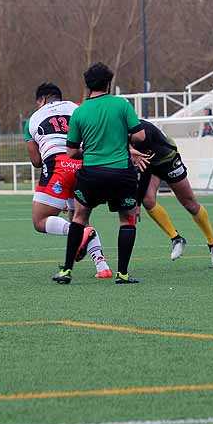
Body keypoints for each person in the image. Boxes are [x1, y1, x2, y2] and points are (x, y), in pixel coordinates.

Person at [54, 62, 148, 285]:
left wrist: (91, 151)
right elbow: (141, 136)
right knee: (127, 219)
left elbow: (72, 151)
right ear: (108, 83)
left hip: (92, 174)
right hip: (120, 173)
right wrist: (122, 138)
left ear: (87, 85)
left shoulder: (80, 111)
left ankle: (67, 270)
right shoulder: (121, 105)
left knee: (80, 217)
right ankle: (122, 274)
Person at [25, 83, 111, 278]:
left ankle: (78, 232)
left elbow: (36, 162)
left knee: (40, 220)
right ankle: (102, 266)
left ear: (42, 100)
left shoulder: (33, 118)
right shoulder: (77, 108)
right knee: (80, 217)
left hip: (58, 166)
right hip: (84, 163)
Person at [134, 118, 213, 268]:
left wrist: (136, 203)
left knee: (190, 205)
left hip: (168, 160)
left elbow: (144, 170)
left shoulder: (143, 133)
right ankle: (176, 238)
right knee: (148, 200)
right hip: (151, 163)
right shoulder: (121, 131)